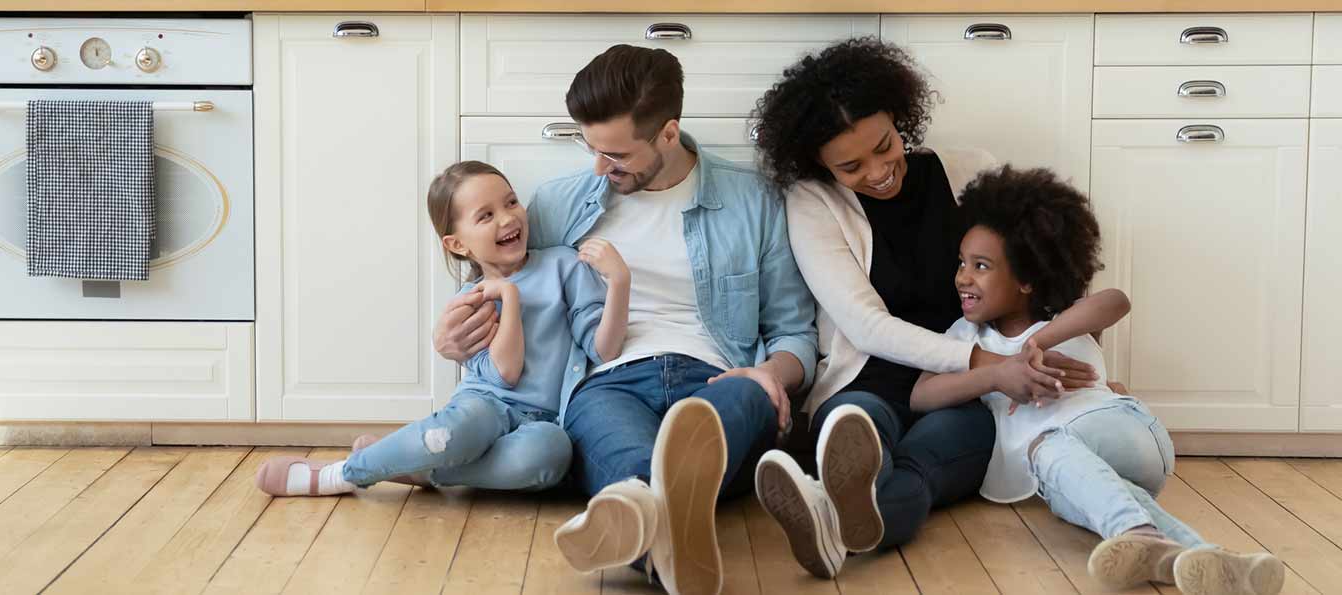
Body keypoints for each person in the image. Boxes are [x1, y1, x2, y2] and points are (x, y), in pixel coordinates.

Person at [434, 45, 819, 595]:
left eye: (615, 154)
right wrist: (449, 336)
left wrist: (771, 376)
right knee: (629, 463)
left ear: (667, 134)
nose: (598, 167)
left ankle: (648, 533)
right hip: (605, 382)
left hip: (717, 379)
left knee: (738, 402)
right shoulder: (560, 205)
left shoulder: (752, 200)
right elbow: (493, 282)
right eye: (590, 148)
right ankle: (671, 526)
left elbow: (793, 332)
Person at [746, 37, 1103, 578]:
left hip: (965, 391)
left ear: (899, 116)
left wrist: (1099, 377)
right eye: (850, 166)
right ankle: (845, 504)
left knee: (921, 469)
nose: (877, 171)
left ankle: (829, 518)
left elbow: (1040, 275)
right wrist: (993, 367)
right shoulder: (812, 201)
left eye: (885, 146)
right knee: (853, 428)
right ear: (818, 163)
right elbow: (865, 326)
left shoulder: (968, 170)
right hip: (869, 379)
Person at [910, 166, 1283, 595]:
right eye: (962, 262)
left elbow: (1115, 301)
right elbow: (922, 395)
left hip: (1120, 430)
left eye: (981, 265)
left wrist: (1037, 344)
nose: (962, 276)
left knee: (1046, 447)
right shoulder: (966, 337)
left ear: (1028, 279)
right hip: (1068, 478)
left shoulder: (1062, 319)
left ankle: (1137, 534)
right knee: (1099, 496)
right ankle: (1220, 565)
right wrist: (996, 373)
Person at [254, 160, 629, 497]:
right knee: (452, 434)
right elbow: (506, 374)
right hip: (485, 405)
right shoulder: (469, 301)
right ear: (457, 244)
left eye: (511, 202)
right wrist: (510, 298)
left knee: (552, 454)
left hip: (546, 420)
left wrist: (619, 283)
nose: (508, 218)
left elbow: (603, 350)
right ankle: (341, 474)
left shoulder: (564, 265)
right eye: (486, 215)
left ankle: (415, 469)